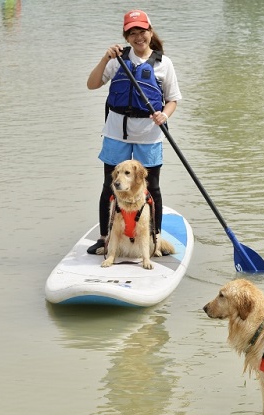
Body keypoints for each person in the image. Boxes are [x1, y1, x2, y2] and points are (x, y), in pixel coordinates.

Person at [86, 9, 182, 254]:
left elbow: (172, 100)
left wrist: (164, 115)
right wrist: (104, 58)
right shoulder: (117, 60)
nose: (139, 37)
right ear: (126, 37)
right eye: (132, 33)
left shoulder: (164, 64)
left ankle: (154, 238)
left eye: (142, 31)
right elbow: (92, 84)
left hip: (149, 134)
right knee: (110, 186)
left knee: (153, 188)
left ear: (150, 32)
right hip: (116, 133)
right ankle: (105, 237)